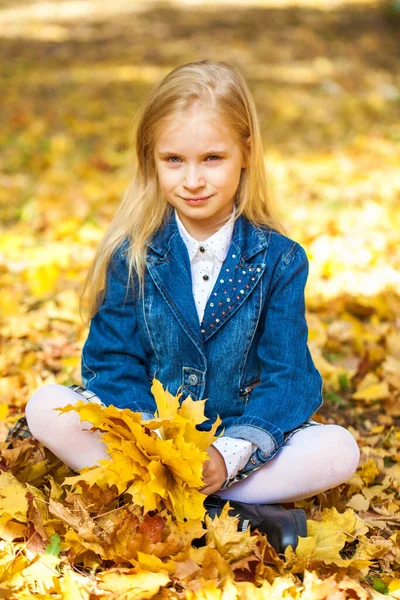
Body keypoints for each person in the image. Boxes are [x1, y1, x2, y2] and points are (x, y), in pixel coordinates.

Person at [16, 60, 359, 552]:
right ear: (150, 160)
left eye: (212, 158)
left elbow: (292, 379)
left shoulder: (279, 260)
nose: (193, 179)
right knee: (47, 406)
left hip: (235, 441)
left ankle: (196, 496)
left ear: (245, 153)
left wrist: (230, 450)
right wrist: (152, 441)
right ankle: (218, 505)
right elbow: (112, 363)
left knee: (337, 450)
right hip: (147, 440)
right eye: (174, 159)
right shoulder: (133, 254)